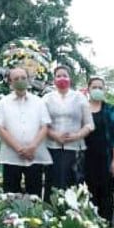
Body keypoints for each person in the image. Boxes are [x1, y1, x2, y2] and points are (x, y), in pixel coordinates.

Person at [0, 67, 52, 196]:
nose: (20, 81)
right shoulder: (3, 103)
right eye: (16, 79)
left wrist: (32, 147)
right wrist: (19, 148)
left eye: (23, 78)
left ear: (28, 80)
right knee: (10, 196)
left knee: (34, 196)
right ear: (10, 82)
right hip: (11, 156)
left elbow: (45, 126)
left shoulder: (39, 102)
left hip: (34, 156)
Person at [43, 64, 94, 196]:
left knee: (72, 186)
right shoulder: (47, 98)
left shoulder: (80, 98)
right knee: (53, 185)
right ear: (54, 79)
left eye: (64, 75)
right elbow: (42, 124)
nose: (62, 78)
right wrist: (55, 135)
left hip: (75, 149)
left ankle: (72, 215)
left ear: (70, 78)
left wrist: (76, 135)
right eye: (58, 76)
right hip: (52, 148)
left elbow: (89, 125)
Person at [84, 76, 114, 223]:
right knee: (87, 196)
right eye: (94, 87)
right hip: (85, 160)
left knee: (106, 196)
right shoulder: (83, 108)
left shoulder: (111, 110)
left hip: (106, 159)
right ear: (88, 89)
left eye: (100, 87)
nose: (97, 90)